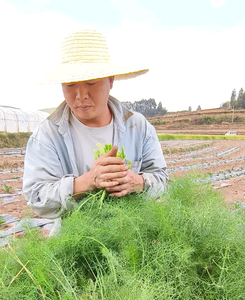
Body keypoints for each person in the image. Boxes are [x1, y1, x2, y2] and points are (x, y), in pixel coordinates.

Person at [23, 28, 168, 220]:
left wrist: (138, 182)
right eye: (70, 85)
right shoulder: (48, 134)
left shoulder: (138, 127)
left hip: (134, 235)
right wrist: (87, 182)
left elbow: (162, 180)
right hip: (77, 240)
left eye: (91, 83)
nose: (81, 95)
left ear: (110, 81)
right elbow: (36, 197)